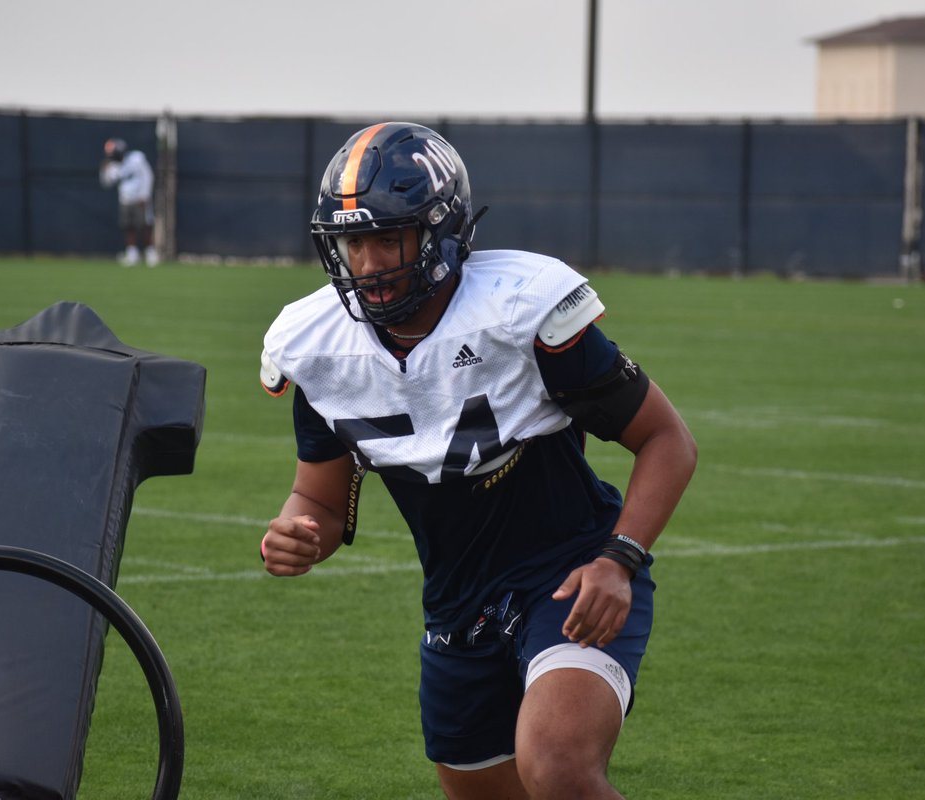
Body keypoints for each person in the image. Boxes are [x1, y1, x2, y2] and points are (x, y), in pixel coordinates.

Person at [258, 122, 697, 800]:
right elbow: (318, 498)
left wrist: (620, 559)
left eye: (386, 238)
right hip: (455, 605)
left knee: (555, 765)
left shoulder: (516, 311)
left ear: (439, 232)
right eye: (352, 242)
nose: (368, 263)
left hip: (568, 575)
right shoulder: (317, 346)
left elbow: (668, 441)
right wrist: (298, 533)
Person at [99, 137, 158, 266]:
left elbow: (148, 175)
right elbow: (106, 183)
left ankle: (150, 253)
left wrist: (145, 194)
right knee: (128, 227)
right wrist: (104, 171)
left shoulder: (136, 158)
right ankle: (132, 253)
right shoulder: (113, 167)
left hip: (140, 198)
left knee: (145, 226)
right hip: (126, 199)